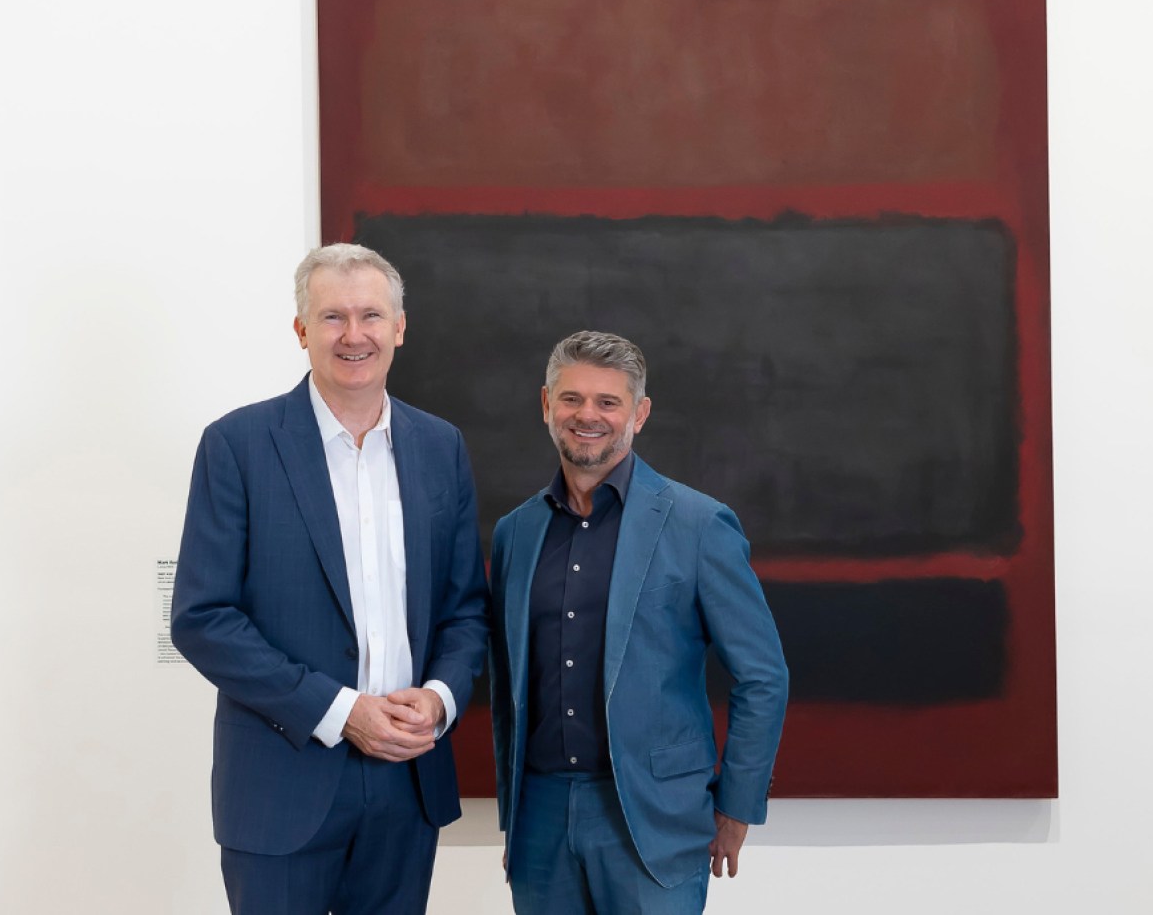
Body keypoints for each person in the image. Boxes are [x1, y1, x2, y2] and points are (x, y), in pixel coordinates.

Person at [171, 243, 489, 914]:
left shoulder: (440, 448)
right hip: (281, 784)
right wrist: (341, 713)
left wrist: (437, 698)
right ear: (301, 331)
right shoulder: (237, 446)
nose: (354, 335)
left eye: (371, 315)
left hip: (407, 782)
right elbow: (203, 618)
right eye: (333, 317)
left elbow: (465, 611)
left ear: (399, 328)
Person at [488, 330, 789, 914]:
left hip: (655, 820)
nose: (588, 416)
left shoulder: (699, 524)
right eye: (571, 399)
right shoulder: (515, 533)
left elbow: (763, 677)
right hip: (540, 819)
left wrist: (736, 806)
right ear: (547, 405)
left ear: (639, 414)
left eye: (608, 402)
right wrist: (516, 820)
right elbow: (507, 686)